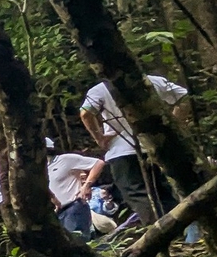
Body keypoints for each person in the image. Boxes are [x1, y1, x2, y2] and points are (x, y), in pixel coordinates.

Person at [80, 74, 187, 224]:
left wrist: (100, 138)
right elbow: (184, 98)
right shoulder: (153, 81)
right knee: (166, 192)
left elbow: (86, 113)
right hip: (158, 145)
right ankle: (180, 229)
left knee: (138, 195)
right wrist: (171, 125)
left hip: (122, 150)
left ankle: (162, 233)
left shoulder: (101, 89)